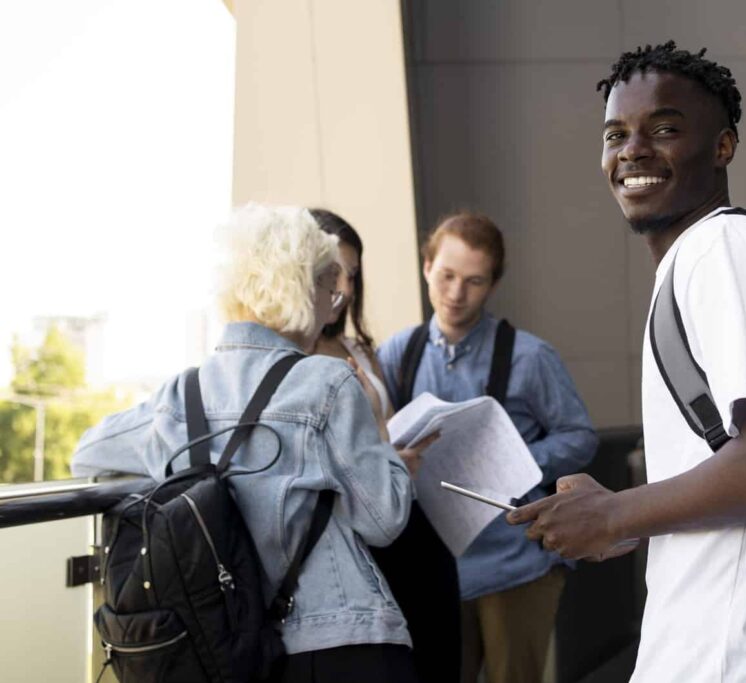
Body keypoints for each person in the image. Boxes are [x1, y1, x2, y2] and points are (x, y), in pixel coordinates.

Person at [508, 42, 746, 682]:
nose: (632, 150)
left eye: (663, 128)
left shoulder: (724, 249)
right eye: (615, 134)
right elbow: (737, 469)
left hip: (740, 653)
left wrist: (613, 514)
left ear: (723, 147)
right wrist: (622, 514)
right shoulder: (697, 260)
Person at [70, 203, 419, 682]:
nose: (332, 304)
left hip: (230, 647)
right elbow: (385, 519)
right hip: (338, 638)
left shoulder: (182, 393)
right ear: (303, 288)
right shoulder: (327, 382)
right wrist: (378, 424)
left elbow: (87, 451)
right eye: (329, 288)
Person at [377, 212, 600, 683]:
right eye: (447, 276)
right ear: (426, 267)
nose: (456, 294)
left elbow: (580, 437)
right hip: (433, 568)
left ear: (493, 284)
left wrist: (513, 463)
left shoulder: (529, 356)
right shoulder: (399, 351)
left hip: (515, 565)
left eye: (474, 281)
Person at [309, 207, 439, 478]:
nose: (346, 289)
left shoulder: (359, 350)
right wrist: (383, 463)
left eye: (352, 275)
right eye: (334, 273)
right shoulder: (287, 357)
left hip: (390, 503)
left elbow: (390, 426)